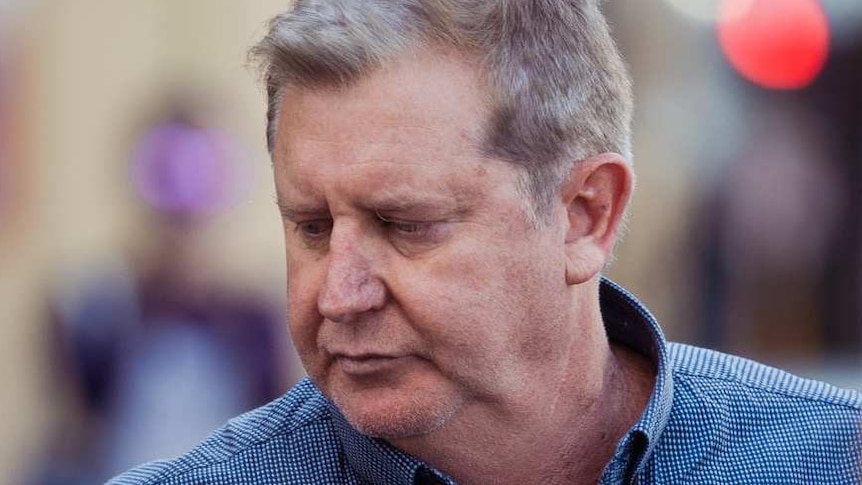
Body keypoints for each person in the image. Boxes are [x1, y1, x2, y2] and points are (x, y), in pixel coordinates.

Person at [110, 1, 862, 483]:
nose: (338, 293)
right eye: (311, 227)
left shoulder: (830, 458)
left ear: (584, 215)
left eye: (406, 225)